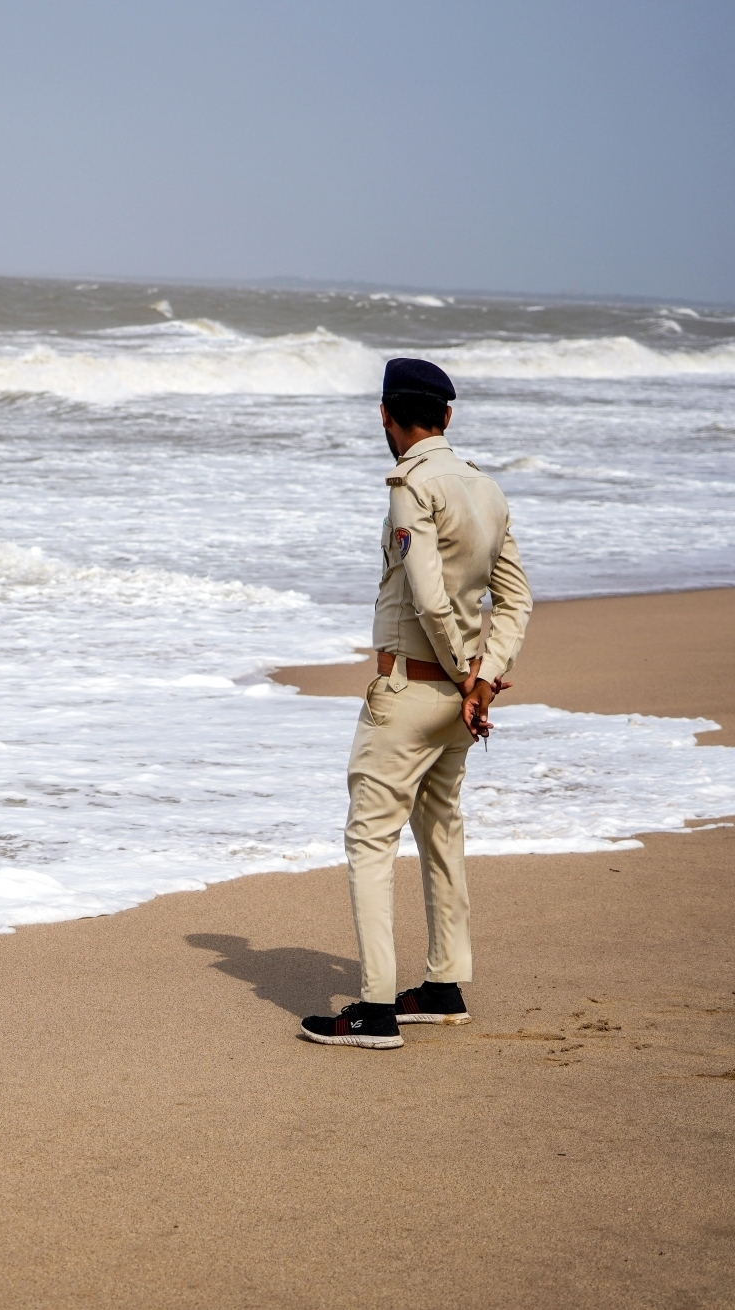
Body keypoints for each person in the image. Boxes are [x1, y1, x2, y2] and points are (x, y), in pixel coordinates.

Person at [301, 358, 532, 1050]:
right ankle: (442, 984)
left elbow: (429, 596)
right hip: (458, 702)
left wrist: (468, 675)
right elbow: (516, 599)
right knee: (441, 830)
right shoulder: (487, 491)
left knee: (370, 841)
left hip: (409, 692)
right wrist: (485, 676)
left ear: (385, 415)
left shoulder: (410, 485)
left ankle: (373, 1007)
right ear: (448, 418)